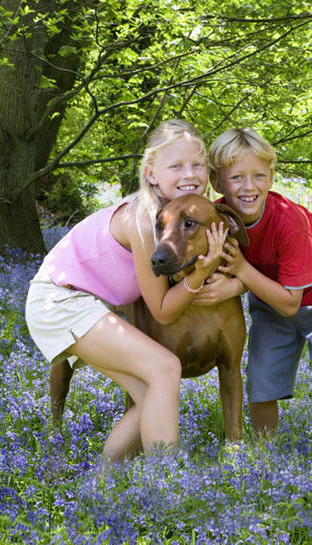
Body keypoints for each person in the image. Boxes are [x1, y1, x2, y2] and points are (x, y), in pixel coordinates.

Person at [25, 119, 228, 462]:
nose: (190, 174)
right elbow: (163, 310)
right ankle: (166, 481)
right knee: (165, 368)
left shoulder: (172, 215)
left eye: (197, 164)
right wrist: (202, 274)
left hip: (82, 303)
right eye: (176, 166)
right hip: (60, 300)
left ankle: (107, 481)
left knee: (152, 392)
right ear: (151, 173)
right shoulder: (144, 218)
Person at [199, 127, 312, 450]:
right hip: (271, 295)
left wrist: (240, 275)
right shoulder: (217, 218)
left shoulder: (289, 221)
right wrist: (226, 286)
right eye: (236, 178)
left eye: (259, 175)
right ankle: (266, 458)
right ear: (216, 182)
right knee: (261, 380)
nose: (249, 187)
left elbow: (290, 303)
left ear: (271, 177)